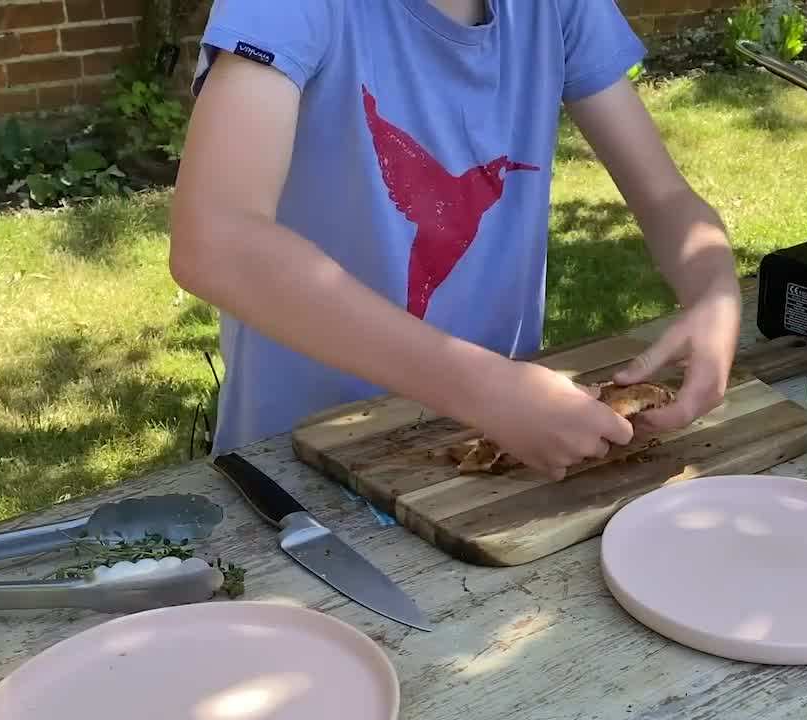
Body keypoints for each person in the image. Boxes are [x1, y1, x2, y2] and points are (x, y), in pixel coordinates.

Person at [168, 0, 742, 478]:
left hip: (494, 448)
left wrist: (714, 287)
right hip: (297, 469)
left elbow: (667, 200)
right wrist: (486, 390)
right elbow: (215, 240)